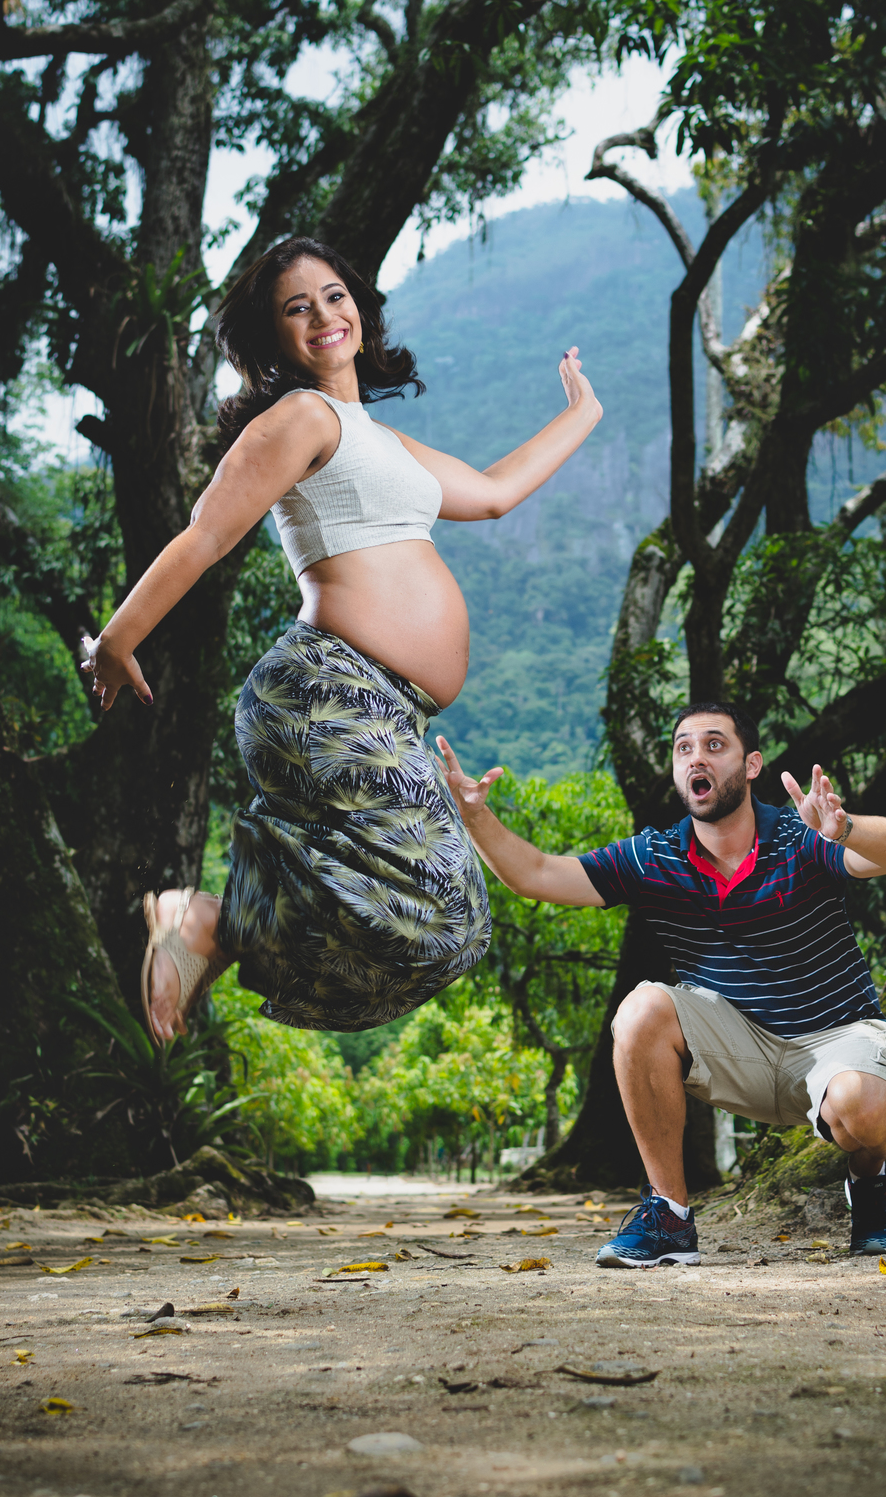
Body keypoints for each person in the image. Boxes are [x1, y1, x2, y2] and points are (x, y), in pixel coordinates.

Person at [82, 236, 602, 1045]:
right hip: (325, 690)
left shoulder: (382, 441)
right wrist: (118, 640)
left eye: (334, 296)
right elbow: (205, 535)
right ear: (272, 339)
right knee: (442, 910)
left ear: (359, 307)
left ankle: (218, 927)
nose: (324, 315)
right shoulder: (299, 416)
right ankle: (212, 923)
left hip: (388, 711)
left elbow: (497, 493)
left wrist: (584, 414)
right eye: (298, 307)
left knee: (454, 926)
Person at [436, 700, 886, 1262]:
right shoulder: (655, 857)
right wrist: (475, 817)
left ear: (752, 764)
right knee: (641, 1010)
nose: (698, 758)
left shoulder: (801, 833)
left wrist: (846, 829)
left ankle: (870, 1185)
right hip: (740, 1046)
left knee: (862, 1109)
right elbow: (536, 873)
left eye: (715, 745)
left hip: (835, 1038)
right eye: (684, 748)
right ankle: (669, 1217)